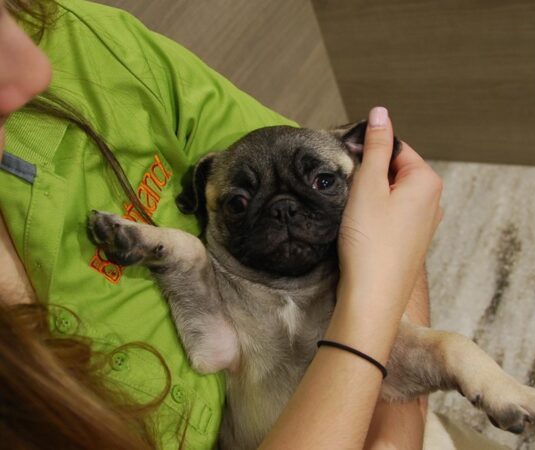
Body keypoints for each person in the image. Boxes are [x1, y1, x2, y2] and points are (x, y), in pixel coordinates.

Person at [0, 0, 442, 448]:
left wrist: (397, 432)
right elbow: (392, 250)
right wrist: (378, 301)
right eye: (240, 204)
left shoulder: (77, 35)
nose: (35, 70)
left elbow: (383, 211)